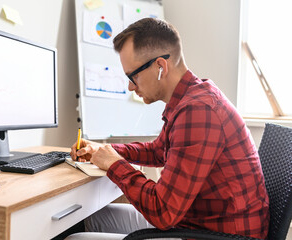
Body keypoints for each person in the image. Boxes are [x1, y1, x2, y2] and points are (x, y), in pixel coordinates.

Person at [66, 18, 269, 240]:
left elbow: (163, 212)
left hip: (216, 235)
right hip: (198, 223)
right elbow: (158, 151)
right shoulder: (191, 97)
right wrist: (105, 150)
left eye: (132, 76)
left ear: (160, 66)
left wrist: (116, 165)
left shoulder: (198, 110)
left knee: (74, 238)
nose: (130, 86)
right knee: (95, 219)